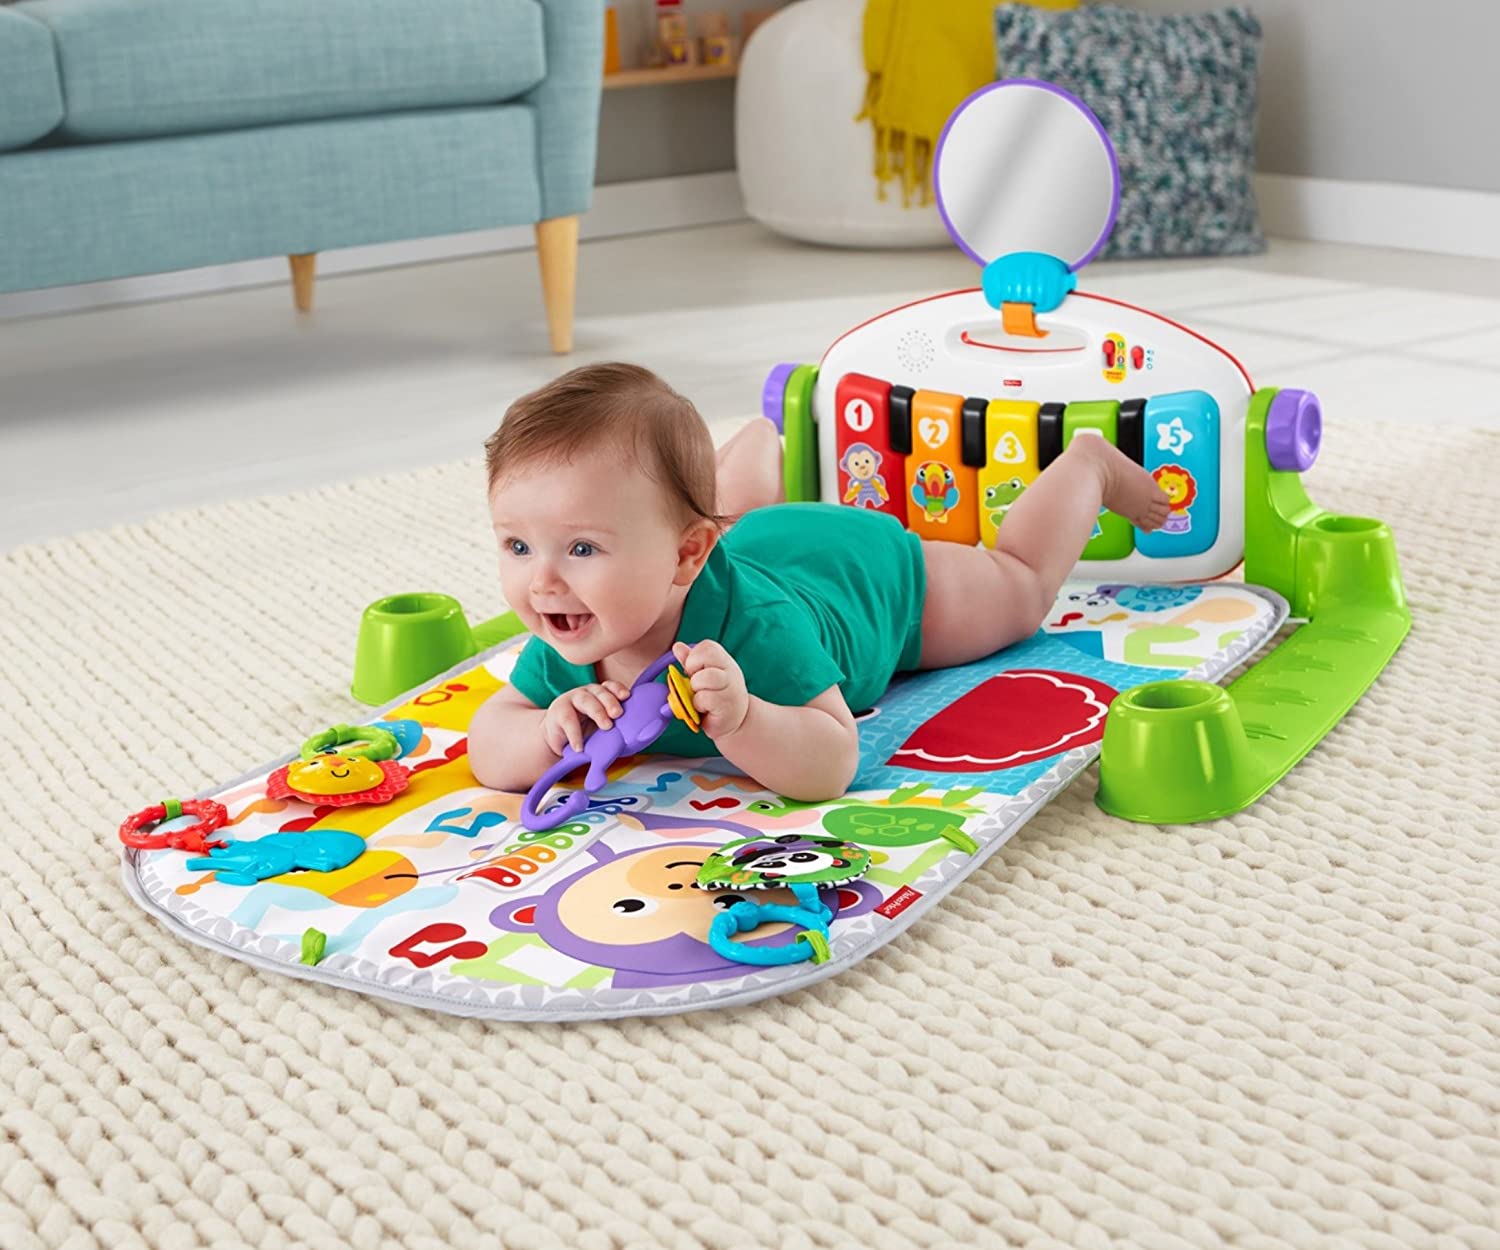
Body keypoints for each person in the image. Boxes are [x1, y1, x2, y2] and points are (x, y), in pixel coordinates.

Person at [468, 363, 1168, 801]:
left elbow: (832, 762)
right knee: (728, 518)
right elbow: (489, 744)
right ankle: (758, 441)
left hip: (868, 577)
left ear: (686, 559)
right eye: (518, 546)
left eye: (582, 548)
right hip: (750, 536)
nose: (542, 580)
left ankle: (1089, 465)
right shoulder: (571, 626)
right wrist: (547, 733)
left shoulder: (755, 629)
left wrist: (746, 720)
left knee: (1019, 591)